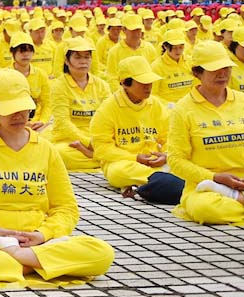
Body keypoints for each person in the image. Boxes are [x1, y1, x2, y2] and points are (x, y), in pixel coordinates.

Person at [0, 69, 115, 286]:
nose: (18, 115)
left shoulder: (46, 150)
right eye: (9, 109)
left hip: (37, 238)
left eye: (22, 107)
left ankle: (19, 261)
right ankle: (41, 264)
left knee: (102, 253)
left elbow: (66, 208)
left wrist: (43, 234)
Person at [167, 41, 244, 225]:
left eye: (226, 68)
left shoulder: (242, 101)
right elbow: (176, 160)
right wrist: (214, 178)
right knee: (205, 209)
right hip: (206, 187)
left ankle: (237, 200)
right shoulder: (183, 109)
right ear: (197, 73)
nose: (222, 74)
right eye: (215, 69)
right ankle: (234, 198)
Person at [89, 56, 183, 203]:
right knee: (117, 172)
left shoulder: (156, 105)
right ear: (125, 83)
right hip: (124, 162)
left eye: (150, 82)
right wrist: (135, 158)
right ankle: (165, 179)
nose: (148, 87)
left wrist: (165, 155)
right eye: (143, 83)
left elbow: (170, 137)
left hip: (154, 160)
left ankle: (155, 181)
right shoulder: (107, 109)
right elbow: (102, 149)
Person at [48, 37, 111, 171]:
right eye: (77, 57)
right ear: (67, 61)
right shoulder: (59, 86)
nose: (83, 61)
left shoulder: (102, 85)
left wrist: (97, 142)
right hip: (69, 139)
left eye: (87, 57)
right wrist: (87, 142)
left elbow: (109, 117)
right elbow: (63, 123)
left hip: (97, 138)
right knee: (61, 154)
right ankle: (106, 160)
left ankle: (96, 157)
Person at [151, 30, 195, 104]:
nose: (178, 51)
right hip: (167, 107)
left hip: (189, 104)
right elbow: (153, 93)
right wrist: (168, 105)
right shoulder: (156, 66)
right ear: (165, 46)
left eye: (181, 47)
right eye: (174, 48)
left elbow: (197, 86)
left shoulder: (190, 62)